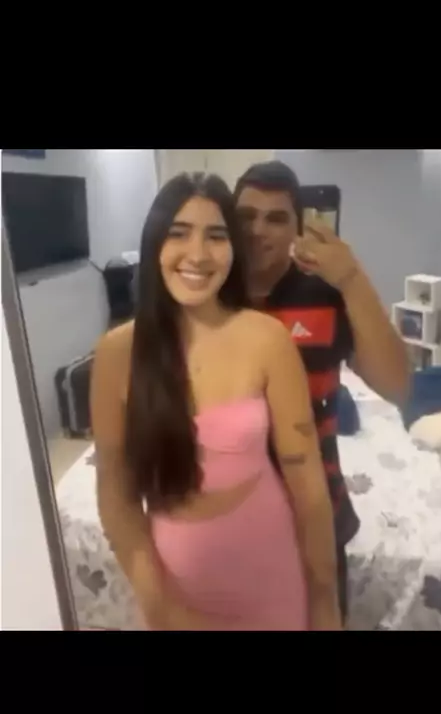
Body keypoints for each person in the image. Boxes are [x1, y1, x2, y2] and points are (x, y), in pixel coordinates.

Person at [91, 171, 342, 631]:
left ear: (233, 249)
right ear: (154, 244)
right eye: (179, 233)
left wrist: (325, 599)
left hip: (270, 568)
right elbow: (114, 491)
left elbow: (306, 479)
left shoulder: (267, 339)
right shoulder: (117, 353)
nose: (199, 254)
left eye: (216, 236)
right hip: (175, 581)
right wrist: (158, 600)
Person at [234, 161, 410, 622]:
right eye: (245, 216)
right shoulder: (211, 297)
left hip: (317, 515)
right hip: (228, 525)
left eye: (276, 218)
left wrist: (351, 278)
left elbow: (398, 384)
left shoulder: (325, 294)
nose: (257, 230)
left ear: (298, 228)